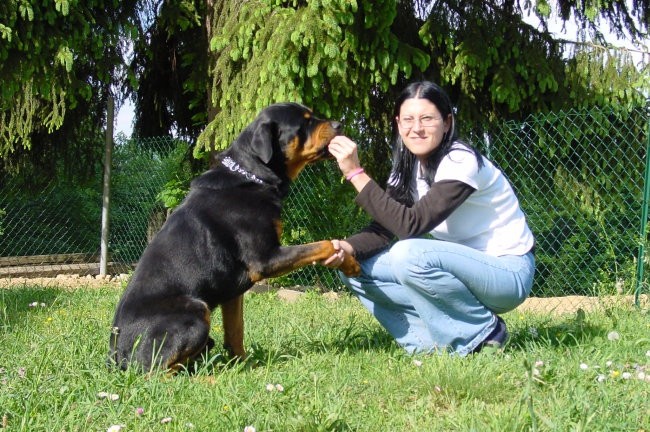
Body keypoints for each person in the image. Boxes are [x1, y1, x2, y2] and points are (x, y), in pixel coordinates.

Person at [324, 81, 535, 356]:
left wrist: (355, 173)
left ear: (447, 122)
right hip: (458, 272)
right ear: (398, 124)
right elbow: (383, 229)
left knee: (408, 254)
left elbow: (410, 226)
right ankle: (427, 347)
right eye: (408, 119)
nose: (417, 128)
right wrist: (346, 248)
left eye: (427, 118)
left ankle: (483, 334)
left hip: (506, 274)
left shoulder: (461, 161)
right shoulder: (406, 169)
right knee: (354, 269)